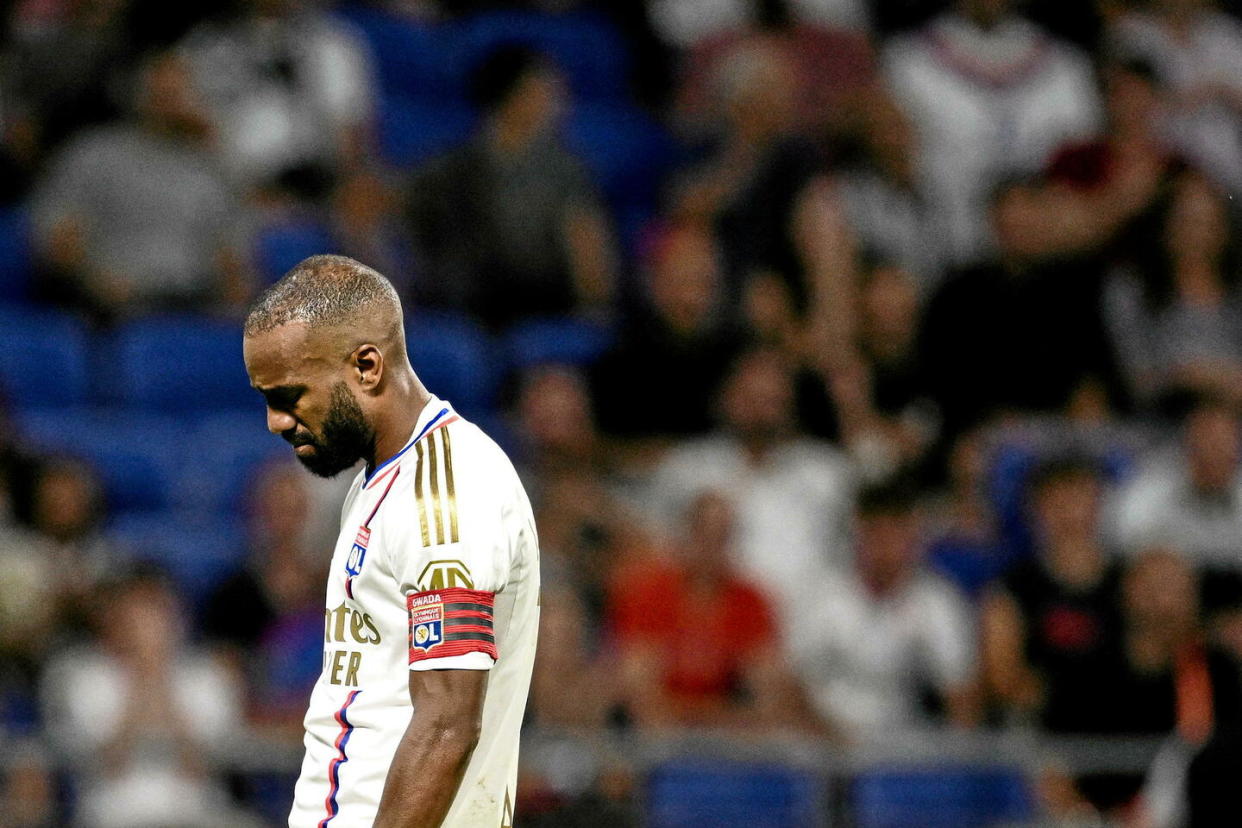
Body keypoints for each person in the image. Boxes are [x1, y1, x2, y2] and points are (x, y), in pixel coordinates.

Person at [241, 255, 540, 827]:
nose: (276, 422)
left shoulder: (444, 500)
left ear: (368, 366)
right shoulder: (386, 478)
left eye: (289, 396)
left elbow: (448, 725)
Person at [405, 45, 615, 329]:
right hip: (456, 311)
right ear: (518, 97)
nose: (560, 103)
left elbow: (589, 259)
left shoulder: (564, 172)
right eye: (548, 91)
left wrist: (598, 314)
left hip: (539, 310)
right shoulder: (447, 169)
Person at [790, 480, 979, 738]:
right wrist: (831, 738)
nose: (884, 548)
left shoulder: (937, 600)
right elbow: (790, 684)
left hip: (901, 746)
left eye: (895, 534)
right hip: (822, 740)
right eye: (875, 534)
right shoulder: (820, 594)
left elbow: (961, 692)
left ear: (913, 537)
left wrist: (960, 759)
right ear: (858, 534)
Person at [606, 491, 808, 731]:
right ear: (687, 534)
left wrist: (732, 720)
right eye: (704, 534)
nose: (711, 547)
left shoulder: (750, 600)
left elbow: (771, 689)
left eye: (721, 537)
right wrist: (721, 718)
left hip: (724, 729)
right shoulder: (647, 592)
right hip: (661, 730)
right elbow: (640, 693)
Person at [980, 457, 1124, 731]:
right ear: (1036, 510)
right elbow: (1003, 681)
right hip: (1043, 734)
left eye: (1080, 500)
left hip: (1122, 724)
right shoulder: (1012, 589)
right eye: (1057, 503)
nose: (1070, 514)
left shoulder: (1129, 583)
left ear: (1098, 506)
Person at [1109, 393, 1242, 572]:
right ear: (1188, 440)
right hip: (1168, 585)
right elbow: (1124, 540)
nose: (1214, 447)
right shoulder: (1151, 486)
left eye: (1224, 438)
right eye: (1206, 436)